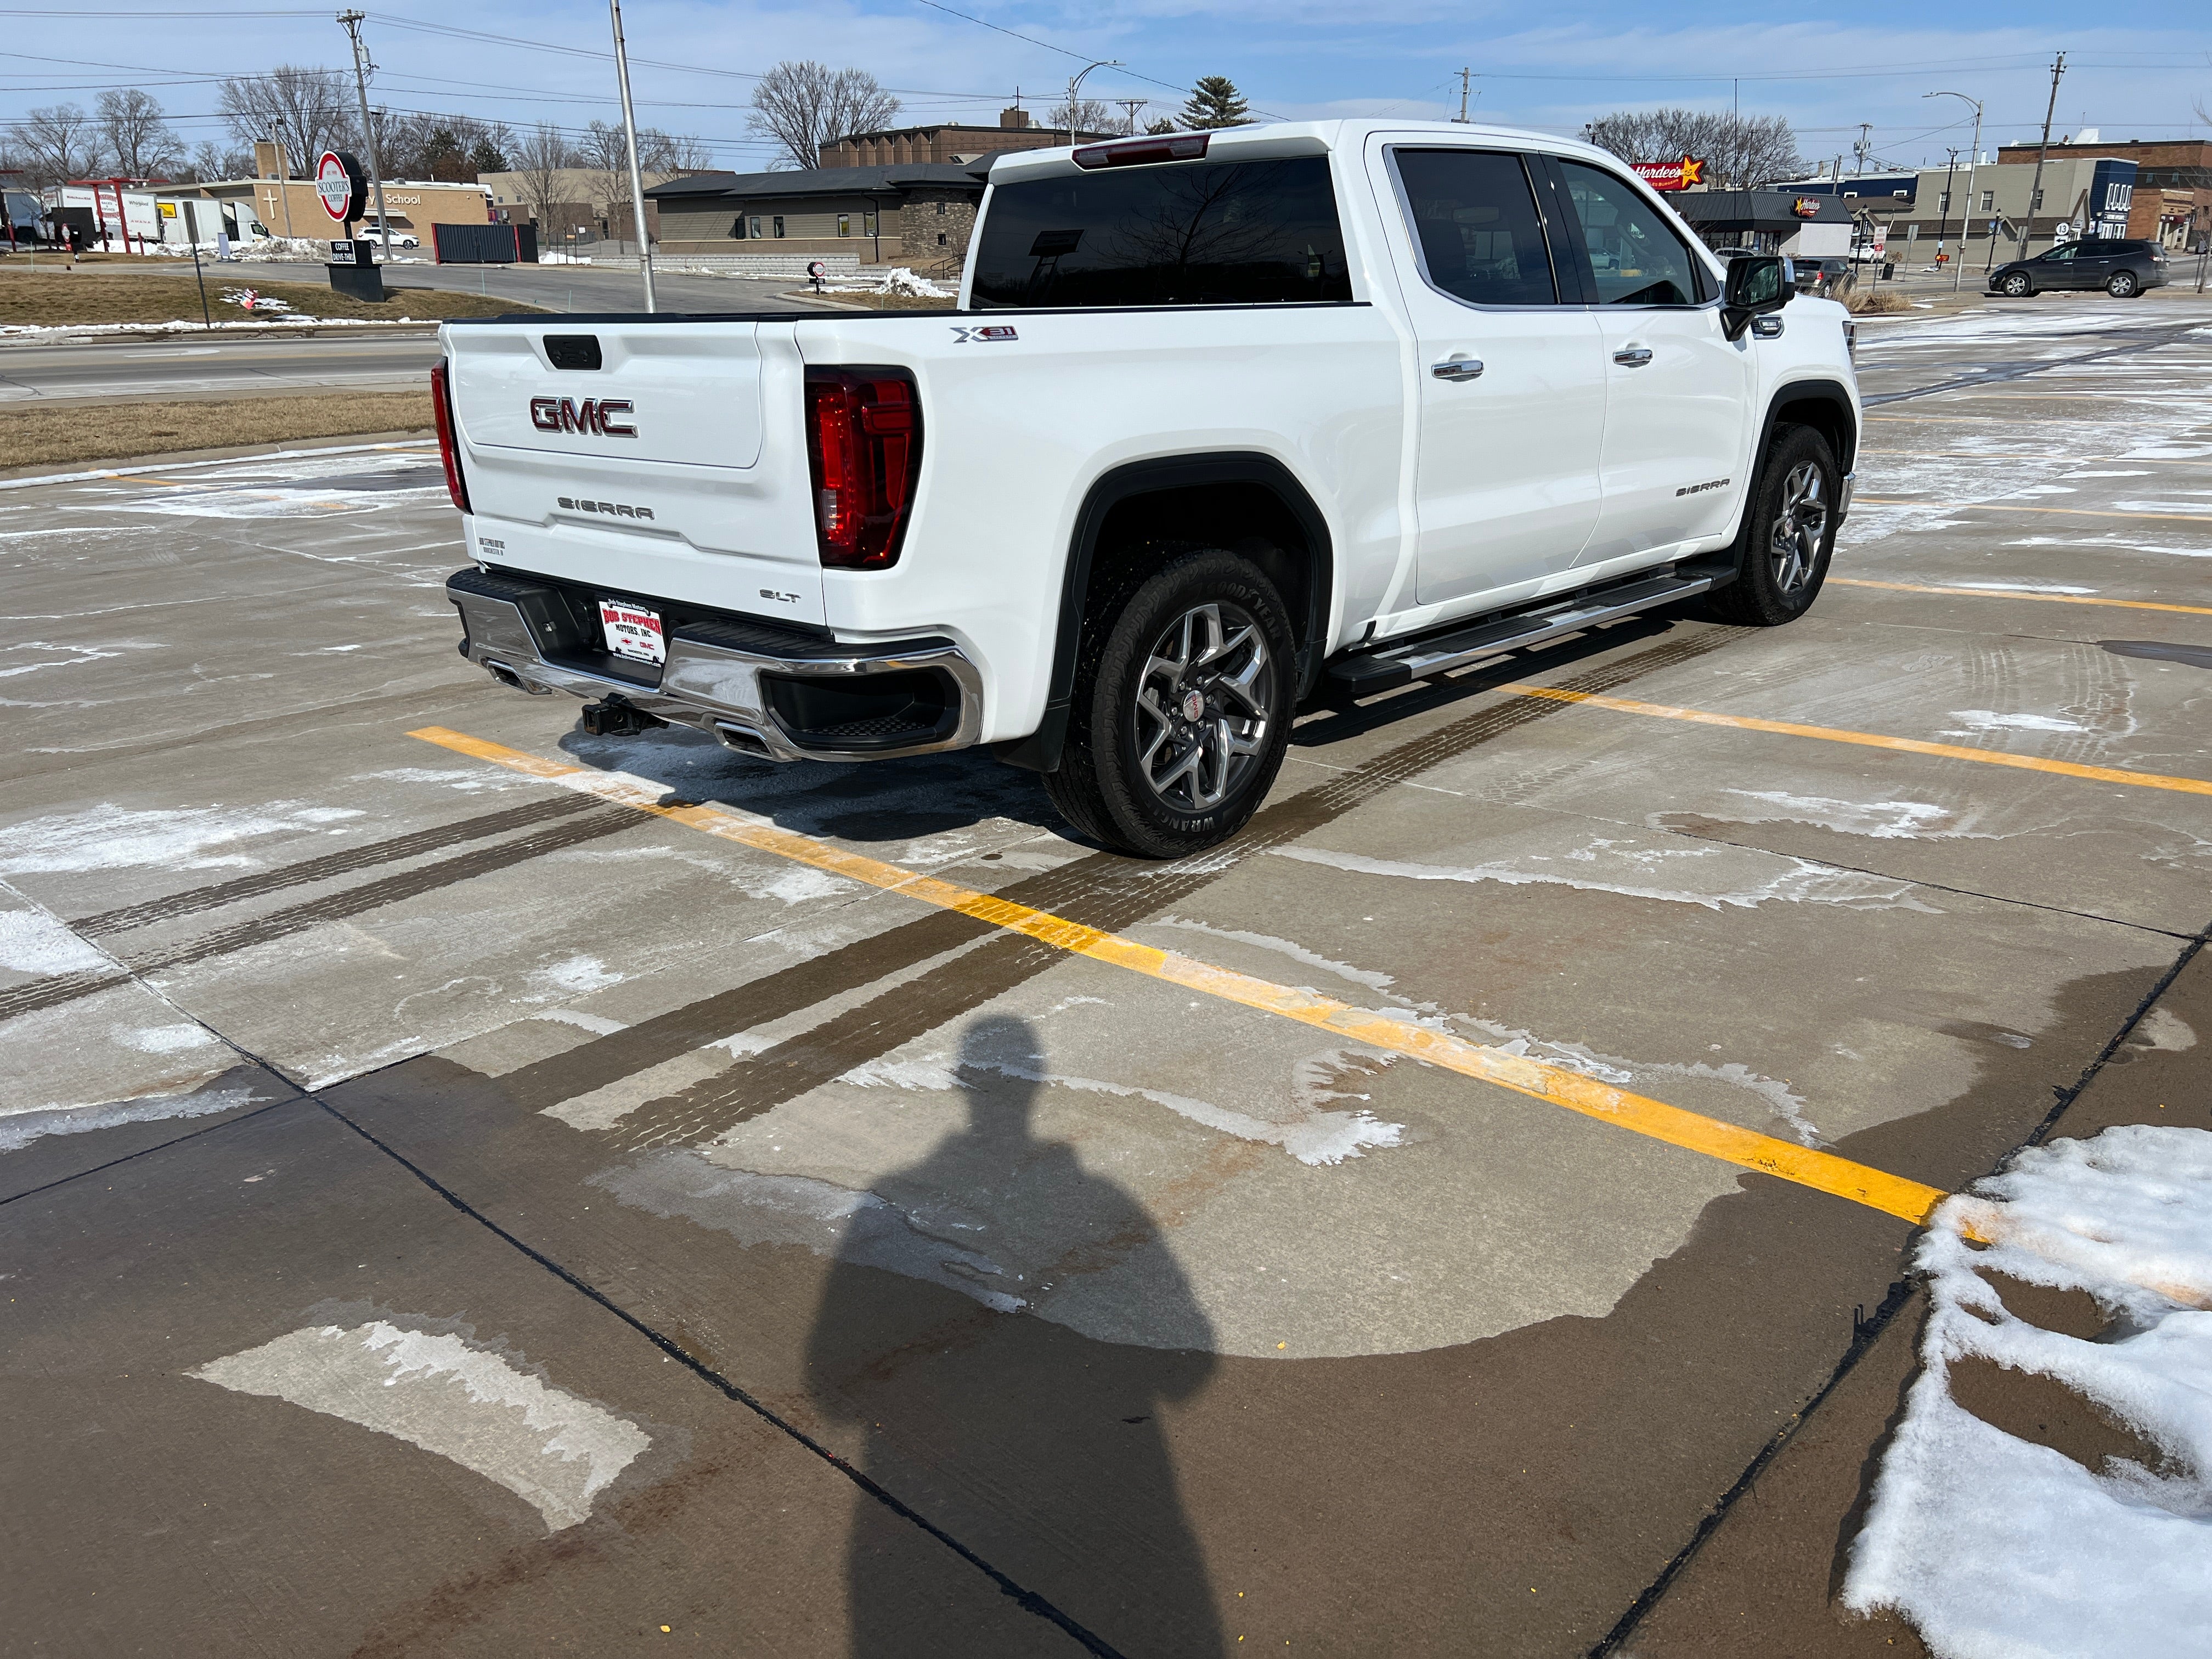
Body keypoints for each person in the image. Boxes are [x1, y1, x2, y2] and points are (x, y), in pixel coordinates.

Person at [805, 1014, 1221, 1655]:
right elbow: (1189, 1367)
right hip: (1101, 1494)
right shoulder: (1101, 1199)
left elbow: (830, 1387)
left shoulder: (888, 1198)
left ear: (961, 1083)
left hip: (924, 1509)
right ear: (1032, 1085)